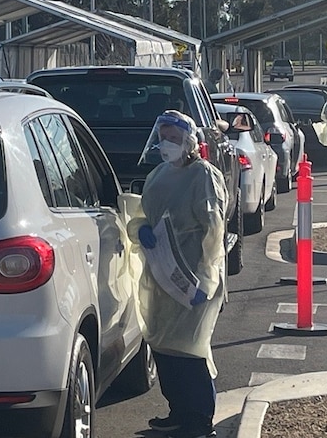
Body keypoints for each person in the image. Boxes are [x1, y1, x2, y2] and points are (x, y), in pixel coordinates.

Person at [134, 110, 227, 438]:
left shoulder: (203, 174)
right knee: (164, 345)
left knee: (191, 348)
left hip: (191, 276)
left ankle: (200, 419)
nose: (167, 144)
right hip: (162, 274)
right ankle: (178, 412)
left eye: (174, 138)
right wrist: (141, 228)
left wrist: (205, 277)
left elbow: (213, 230)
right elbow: (145, 213)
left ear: (189, 142)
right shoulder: (157, 175)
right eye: (164, 137)